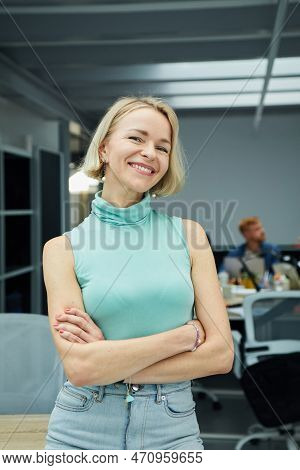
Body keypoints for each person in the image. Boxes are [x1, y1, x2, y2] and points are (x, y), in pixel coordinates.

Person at [43, 96, 234, 450]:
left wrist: (110, 363)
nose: (150, 152)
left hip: (172, 426)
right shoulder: (60, 250)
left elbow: (221, 355)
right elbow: (81, 369)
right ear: (103, 149)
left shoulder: (190, 237)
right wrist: (183, 337)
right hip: (80, 427)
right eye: (136, 138)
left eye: (163, 147)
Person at [219, 216, 281, 282]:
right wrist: (227, 277)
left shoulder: (272, 250)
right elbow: (223, 272)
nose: (262, 231)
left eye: (261, 227)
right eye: (257, 229)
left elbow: (277, 273)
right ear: (246, 234)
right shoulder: (235, 253)